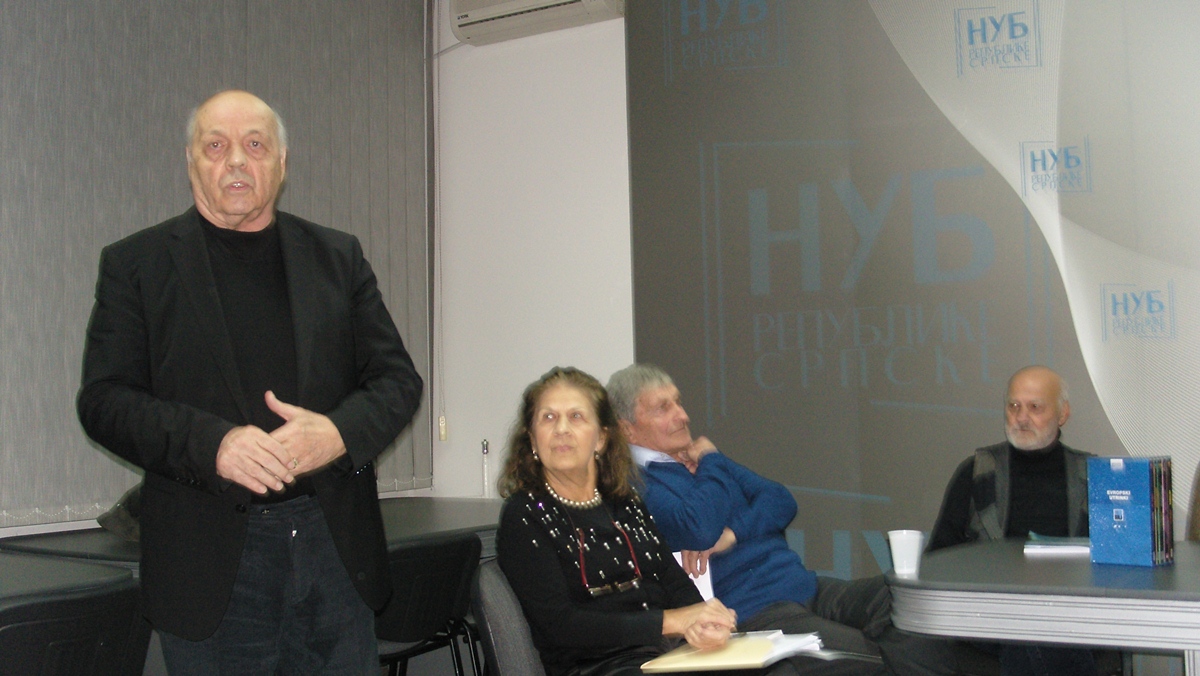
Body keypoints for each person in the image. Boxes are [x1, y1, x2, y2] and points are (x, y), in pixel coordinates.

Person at [76, 90, 423, 674]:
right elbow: (104, 401)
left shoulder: (337, 257)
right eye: (216, 146)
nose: (236, 159)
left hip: (334, 551)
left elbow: (397, 380)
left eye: (255, 145)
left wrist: (337, 434)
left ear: (281, 163)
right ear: (191, 162)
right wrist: (214, 445)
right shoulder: (137, 264)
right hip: (209, 567)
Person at [607, 364, 952, 676]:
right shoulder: (636, 484)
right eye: (663, 408)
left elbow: (780, 500)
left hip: (805, 586)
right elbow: (698, 527)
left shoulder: (700, 459)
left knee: (906, 604)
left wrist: (734, 533)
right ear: (627, 429)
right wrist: (711, 462)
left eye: (679, 402)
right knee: (863, 655)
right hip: (755, 612)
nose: (682, 415)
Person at [497, 366, 819, 676]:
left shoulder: (623, 501)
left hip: (666, 653)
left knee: (780, 669)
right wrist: (674, 622)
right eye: (548, 417)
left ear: (601, 438)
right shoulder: (524, 515)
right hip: (601, 665)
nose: (562, 429)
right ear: (532, 439)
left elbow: (671, 579)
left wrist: (704, 618)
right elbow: (561, 624)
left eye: (576, 416)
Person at [927, 365, 1098, 676]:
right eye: (1014, 406)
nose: (1021, 417)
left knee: (1038, 632)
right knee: (1028, 631)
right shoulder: (977, 473)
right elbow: (939, 558)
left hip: (1071, 611)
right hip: (990, 613)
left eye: (1035, 407)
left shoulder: (1093, 477)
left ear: (1063, 414)